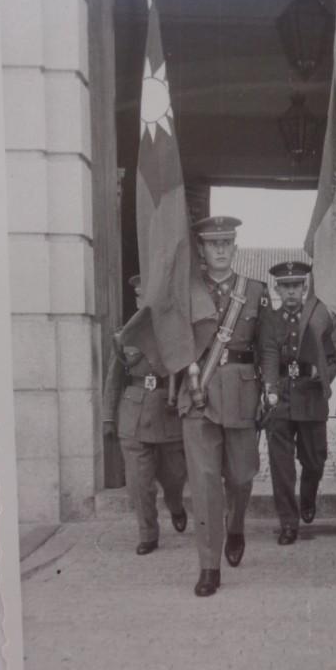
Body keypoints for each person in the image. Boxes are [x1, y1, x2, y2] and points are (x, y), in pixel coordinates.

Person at [177, 216, 268, 598]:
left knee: (242, 476)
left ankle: (237, 525)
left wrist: (269, 390)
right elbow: (169, 338)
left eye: (226, 243)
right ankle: (209, 565)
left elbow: (268, 348)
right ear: (201, 248)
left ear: (234, 248)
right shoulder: (185, 292)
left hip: (242, 394)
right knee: (204, 483)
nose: (219, 250)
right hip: (198, 394)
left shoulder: (255, 290)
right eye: (212, 244)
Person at [102, 274, 188, 555]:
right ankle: (148, 533)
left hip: (168, 411)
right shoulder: (124, 335)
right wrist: (108, 418)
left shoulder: (176, 334)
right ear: (136, 299)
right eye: (140, 297)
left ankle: (175, 505)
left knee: (174, 477)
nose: (144, 302)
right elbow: (114, 379)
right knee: (140, 484)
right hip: (134, 414)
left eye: (149, 297)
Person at [258, 262, 336, 545]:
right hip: (281, 396)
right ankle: (288, 523)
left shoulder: (318, 318)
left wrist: (323, 373)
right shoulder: (270, 319)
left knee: (315, 459)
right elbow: (267, 355)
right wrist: (269, 389)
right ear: (277, 288)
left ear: (304, 288)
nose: (291, 291)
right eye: (285, 286)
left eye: (296, 286)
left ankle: (308, 493)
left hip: (311, 394)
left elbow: (332, 358)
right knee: (281, 466)